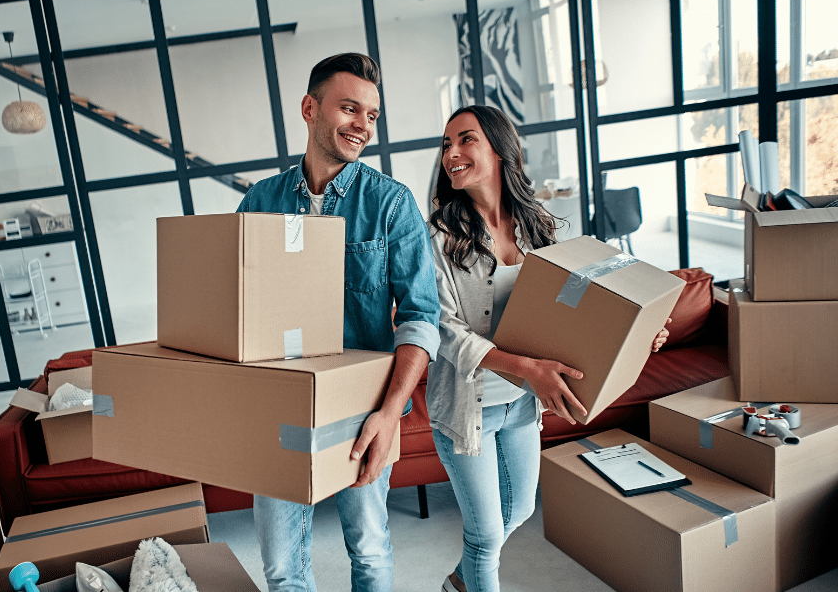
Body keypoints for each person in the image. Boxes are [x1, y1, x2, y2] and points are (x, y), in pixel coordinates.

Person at [427, 105, 669, 592]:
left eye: (466, 140)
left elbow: (576, 310)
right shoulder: (438, 237)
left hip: (518, 403)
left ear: (500, 149)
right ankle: (472, 579)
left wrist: (637, 331)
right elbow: (443, 329)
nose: (451, 153)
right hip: (464, 410)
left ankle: (461, 581)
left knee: (518, 510)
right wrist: (524, 368)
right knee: (486, 534)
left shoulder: (538, 227)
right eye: (447, 144)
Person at [236, 52, 441, 592]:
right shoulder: (258, 202)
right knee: (281, 569)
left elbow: (421, 319)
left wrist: (390, 415)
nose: (362, 126)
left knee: (370, 552)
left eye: (372, 115)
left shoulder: (392, 205)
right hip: (276, 406)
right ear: (309, 108)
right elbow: (236, 312)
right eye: (350, 109)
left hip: (360, 411)